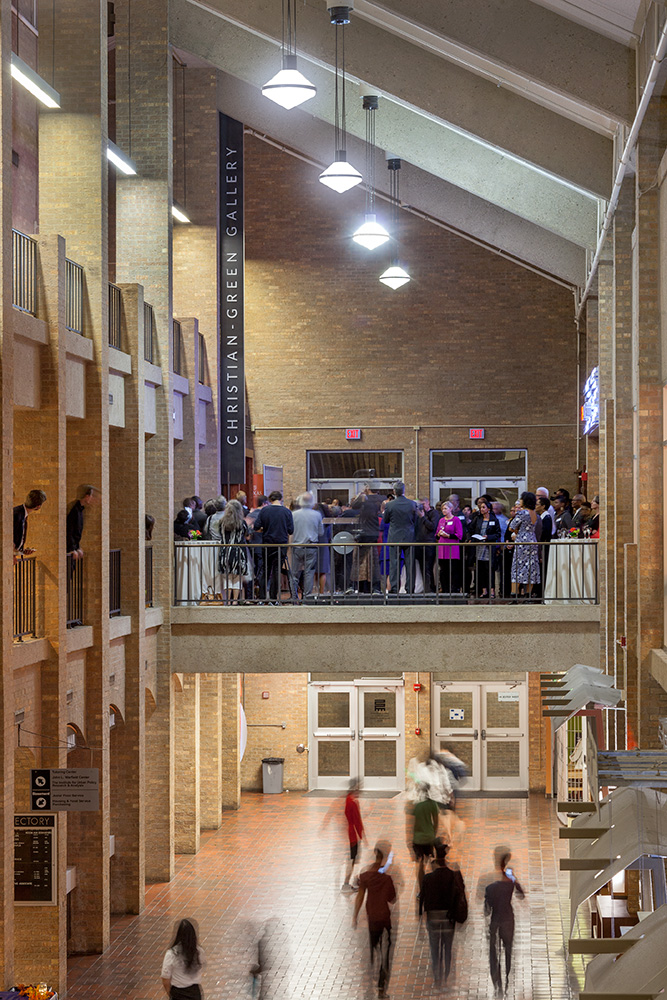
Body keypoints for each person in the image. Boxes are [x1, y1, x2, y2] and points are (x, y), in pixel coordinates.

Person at [420, 841, 468, 987]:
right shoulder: (452, 875)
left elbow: (422, 898)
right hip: (448, 917)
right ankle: (446, 975)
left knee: (435, 948)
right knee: (447, 947)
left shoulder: (428, 878)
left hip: (433, 917)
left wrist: (420, 915)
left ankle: (437, 977)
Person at [353, 841, 397, 999]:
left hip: (372, 919)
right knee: (385, 953)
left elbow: (359, 896)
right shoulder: (386, 878)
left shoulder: (365, 876)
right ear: (384, 858)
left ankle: (370, 969)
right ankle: (380, 985)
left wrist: (355, 916)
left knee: (374, 946)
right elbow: (392, 899)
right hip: (385, 919)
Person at [482, 849, 525, 997]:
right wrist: (513, 878)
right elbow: (521, 894)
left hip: (496, 921)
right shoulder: (510, 882)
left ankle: (497, 982)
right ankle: (507, 977)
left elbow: (487, 910)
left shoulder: (490, 887)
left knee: (494, 951)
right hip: (508, 919)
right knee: (508, 949)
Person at [254, 491, 294, 602]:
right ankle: (273, 598)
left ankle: (262, 598)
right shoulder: (286, 512)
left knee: (265, 570)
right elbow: (291, 530)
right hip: (281, 544)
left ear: (270, 500)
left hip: (267, 544)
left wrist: (264, 529)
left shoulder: (264, 510)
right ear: (281, 499)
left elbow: (256, 526)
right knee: (277, 571)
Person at [383, 482, 416, 594]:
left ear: (394, 492)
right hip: (409, 537)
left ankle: (394, 588)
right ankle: (410, 589)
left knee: (394, 564)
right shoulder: (412, 504)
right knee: (410, 565)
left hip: (394, 538)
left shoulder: (390, 505)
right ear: (404, 491)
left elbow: (385, 520)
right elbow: (415, 520)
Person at [161, 918, 205, 1000]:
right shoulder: (199, 952)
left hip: (178, 993)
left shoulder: (171, 954)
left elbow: (165, 977)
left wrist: (170, 993)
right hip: (195, 992)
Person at [291, 492, 324, 599]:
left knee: (295, 573)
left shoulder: (294, 514)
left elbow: (291, 530)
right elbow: (321, 532)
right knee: (309, 572)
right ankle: (307, 597)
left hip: (297, 546)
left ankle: (293, 596)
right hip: (311, 546)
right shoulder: (317, 514)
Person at [351, 483, 382, 593]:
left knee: (357, 562)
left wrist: (361, 495)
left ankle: (354, 586)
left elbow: (354, 505)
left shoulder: (369, 500)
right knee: (372, 563)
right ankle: (374, 588)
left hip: (365, 535)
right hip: (372, 534)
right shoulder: (378, 500)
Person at [509, 491, 541, 599]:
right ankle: (528, 595)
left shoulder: (522, 513)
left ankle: (514, 595)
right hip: (532, 540)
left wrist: (517, 532)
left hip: (522, 541)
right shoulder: (535, 513)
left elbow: (511, 527)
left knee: (517, 567)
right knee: (531, 568)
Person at [217, 499, 249, 603]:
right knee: (237, 577)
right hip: (238, 552)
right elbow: (246, 534)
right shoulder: (241, 523)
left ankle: (228, 599)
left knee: (227, 577)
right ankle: (235, 600)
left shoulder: (221, 522)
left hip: (225, 551)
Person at [469, 497, 501, 599]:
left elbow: (498, 534)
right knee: (480, 569)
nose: (481, 509)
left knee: (489, 569)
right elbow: (471, 530)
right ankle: (484, 590)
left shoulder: (494, 520)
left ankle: (492, 591)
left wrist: (489, 537)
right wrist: (472, 538)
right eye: (480, 507)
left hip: (488, 547)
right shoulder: (477, 519)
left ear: (489, 509)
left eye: (483, 507)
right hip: (479, 546)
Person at [408, 787, 439, 888]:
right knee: (430, 861)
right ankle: (434, 885)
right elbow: (436, 821)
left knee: (420, 863)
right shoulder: (432, 804)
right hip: (429, 837)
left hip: (418, 838)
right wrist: (433, 833)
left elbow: (412, 823)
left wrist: (410, 838)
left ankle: (422, 889)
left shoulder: (416, 806)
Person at [342, 781, 366, 891]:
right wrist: (362, 836)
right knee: (352, 859)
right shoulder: (353, 802)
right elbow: (357, 821)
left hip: (349, 834)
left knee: (352, 859)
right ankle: (347, 883)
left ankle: (349, 881)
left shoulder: (348, 799)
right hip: (353, 836)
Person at [435, 500, 463, 594]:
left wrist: (448, 535)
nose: (444, 510)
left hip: (452, 548)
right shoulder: (441, 520)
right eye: (443, 509)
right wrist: (439, 534)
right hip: (442, 548)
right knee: (443, 570)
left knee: (453, 570)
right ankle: (444, 588)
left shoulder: (456, 520)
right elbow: (436, 534)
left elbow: (459, 535)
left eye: (445, 508)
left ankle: (454, 589)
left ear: (451, 509)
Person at [66, 485, 99, 559]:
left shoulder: (80, 509)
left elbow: (76, 533)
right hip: (69, 550)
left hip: (73, 549)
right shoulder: (74, 509)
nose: (92, 498)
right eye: (91, 496)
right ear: (87, 496)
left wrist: (78, 548)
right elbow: (69, 530)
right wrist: (72, 549)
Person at [414, 499, 439, 594]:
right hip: (418, 543)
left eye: (423, 504)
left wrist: (423, 517)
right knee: (422, 568)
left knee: (428, 567)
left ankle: (430, 589)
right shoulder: (417, 515)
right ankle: (426, 588)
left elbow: (432, 526)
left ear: (428, 503)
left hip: (429, 544)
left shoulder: (433, 513)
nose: (422, 506)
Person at [14, 488, 46, 558]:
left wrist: (22, 550)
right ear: (38, 506)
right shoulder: (16, 514)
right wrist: (12, 556)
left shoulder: (21, 513)